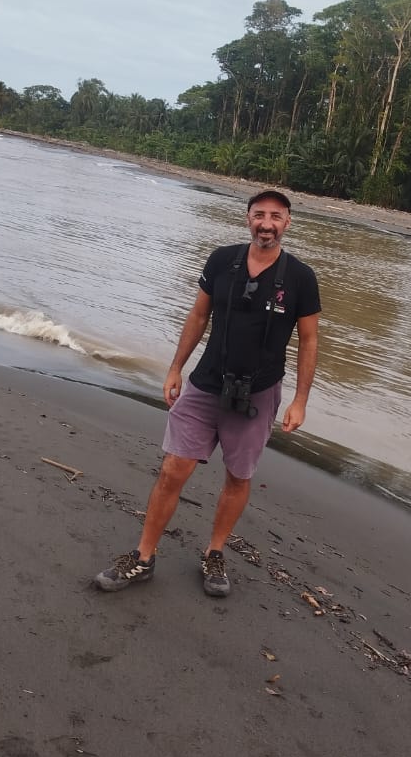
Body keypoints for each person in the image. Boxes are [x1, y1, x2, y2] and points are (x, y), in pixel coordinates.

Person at [94, 189, 320, 598]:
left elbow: (308, 341)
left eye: (275, 216)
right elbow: (199, 314)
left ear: (288, 223)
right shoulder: (221, 260)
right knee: (171, 471)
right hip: (205, 383)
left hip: (259, 394)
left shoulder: (302, 278)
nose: (265, 223)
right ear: (248, 218)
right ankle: (143, 557)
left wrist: (300, 399)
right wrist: (176, 367)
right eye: (258, 214)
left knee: (238, 476)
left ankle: (215, 552)